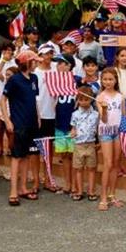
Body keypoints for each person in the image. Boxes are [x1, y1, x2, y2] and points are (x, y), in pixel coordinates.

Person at [1, 50, 40, 206]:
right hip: (19, 124)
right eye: (34, 61)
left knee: (26, 156)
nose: (37, 63)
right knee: (17, 157)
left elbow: (34, 100)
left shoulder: (34, 78)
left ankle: (23, 188)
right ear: (27, 62)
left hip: (32, 123)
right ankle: (13, 191)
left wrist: (38, 117)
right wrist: (7, 121)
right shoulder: (14, 80)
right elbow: (3, 100)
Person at [97, 67, 125, 211]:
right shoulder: (100, 97)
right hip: (106, 131)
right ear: (101, 80)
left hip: (118, 131)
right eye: (105, 79)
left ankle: (112, 195)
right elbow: (104, 119)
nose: (108, 82)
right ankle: (103, 197)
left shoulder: (121, 96)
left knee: (115, 163)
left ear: (115, 80)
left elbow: (124, 117)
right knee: (107, 163)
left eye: (110, 79)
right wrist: (105, 108)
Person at [34, 44, 58, 191]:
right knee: (35, 149)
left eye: (50, 53)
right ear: (40, 56)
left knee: (49, 148)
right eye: (45, 54)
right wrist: (36, 114)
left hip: (52, 113)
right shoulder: (35, 73)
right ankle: (37, 178)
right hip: (38, 114)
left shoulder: (56, 71)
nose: (48, 56)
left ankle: (48, 176)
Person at [53, 54, 78, 196]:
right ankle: (67, 184)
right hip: (59, 124)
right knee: (64, 156)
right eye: (58, 64)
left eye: (63, 63)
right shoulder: (54, 82)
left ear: (70, 66)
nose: (59, 66)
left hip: (73, 125)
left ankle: (75, 184)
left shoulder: (77, 81)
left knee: (74, 155)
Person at [70, 87, 99, 201]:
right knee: (78, 169)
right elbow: (73, 128)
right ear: (78, 100)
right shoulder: (75, 114)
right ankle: (80, 191)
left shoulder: (96, 114)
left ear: (91, 100)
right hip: (78, 145)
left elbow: (98, 128)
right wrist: (72, 132)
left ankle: (91, 191)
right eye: (81, 99)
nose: (84, 102)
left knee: (91, 168)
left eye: (86, 99)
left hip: (91, 144)